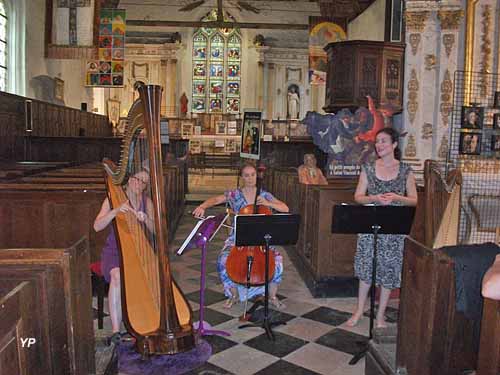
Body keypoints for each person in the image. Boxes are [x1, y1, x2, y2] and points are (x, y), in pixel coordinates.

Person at [347, 128, 418, 328]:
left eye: (384, 141)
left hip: (395, 228)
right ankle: (359, 310)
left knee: (389, 270)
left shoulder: (405, 170)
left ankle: (380, 315)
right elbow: (358, 197)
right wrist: (374, 198)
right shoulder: (368, 168)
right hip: (371, 225)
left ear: (394, 144)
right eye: (377, 141)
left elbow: (414, 201)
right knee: (366, 269)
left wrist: (396, 198)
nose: (379, 145)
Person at [192, 163, 289, 309]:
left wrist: (269, 203)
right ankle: (234, 294)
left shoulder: (264, 194)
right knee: (223, 260)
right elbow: (216, 200)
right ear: (242, 177)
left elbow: (285, 208)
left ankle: (272, 296)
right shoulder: (234, 194)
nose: (250, 178)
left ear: (256, 176)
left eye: (252, 175)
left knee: (277, 261)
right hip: (238, 237)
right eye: (246, 175)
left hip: (261, 238)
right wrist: (202, 206)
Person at [93, 169, 154, 344]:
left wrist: (146, 220)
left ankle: (142, 320)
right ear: (128, 180)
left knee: (152, 274)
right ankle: (115, 330)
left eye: (144, 182)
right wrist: (116, 210)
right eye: (137, 179)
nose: (139, 184)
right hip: (114, 251)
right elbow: (97, 226)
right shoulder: (112, 199)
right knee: (117, 276)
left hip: (139, 251)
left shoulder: (146, 202)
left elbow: (156, 231)